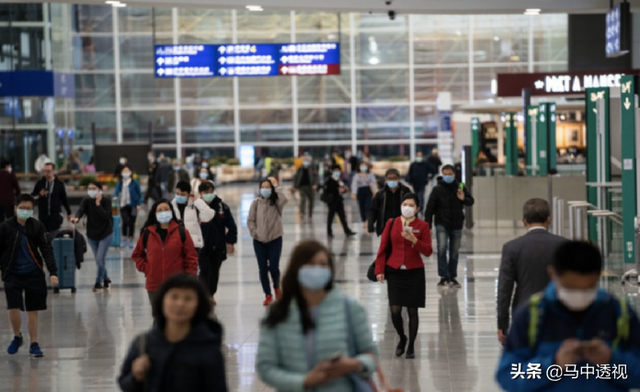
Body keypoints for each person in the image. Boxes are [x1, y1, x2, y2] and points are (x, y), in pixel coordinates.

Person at [496, 241, 640, 391]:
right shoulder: (532, 315)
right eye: (570, 287)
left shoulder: (619, 314)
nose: (579, 294)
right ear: (553, 274)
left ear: (598, 276)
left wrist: (611, 361)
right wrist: (554, 365)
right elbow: (508, 375)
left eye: (587, 288)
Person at [256, 240, 379, 391]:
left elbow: (372, 355)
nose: (316, 269)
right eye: (309, 264)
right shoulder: (278, 314)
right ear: (296, 268)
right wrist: (304, 381)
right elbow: (265, 367)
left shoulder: (350, 309)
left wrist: (354, 364)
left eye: (322, 265)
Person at [118, 274, 228, 392]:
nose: (180, 304)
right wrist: (136, 376)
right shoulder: (144, 343)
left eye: (188, 299)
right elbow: (124, 383)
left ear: (198, 306)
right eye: (174, 297)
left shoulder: (208, 348)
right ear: (162, 301)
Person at [497, 199, 567, 345]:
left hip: (524, 312)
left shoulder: (512, 248)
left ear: (524, 220)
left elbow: (505, 288)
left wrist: (502, 324)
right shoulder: (564, 245)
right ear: (549, 218)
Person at [0, 194, 59, 357]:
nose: (25, 211)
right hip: (12, 273)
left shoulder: (37, 226)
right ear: (15, 208)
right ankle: (17, 336)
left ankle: (34, 342)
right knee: (13, 307)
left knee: (33, 309)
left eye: (28, 209)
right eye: (22, 208)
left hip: (33, 273)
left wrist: (53, 272)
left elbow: (46, 249)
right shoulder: (6, 227)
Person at [374, 193, 432, 359]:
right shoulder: (392, 223)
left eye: (411, 205)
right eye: (405, 204)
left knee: (412, 310)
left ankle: (411, 345)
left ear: (417, 208)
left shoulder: (423, 226)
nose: (407, 207)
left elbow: (428, 251)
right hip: (395, 271)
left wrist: (414, 239)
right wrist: (380, 270)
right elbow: (383, 248)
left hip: (414, 272)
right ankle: (402, 337)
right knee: (395, 310)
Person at [131, 199, 199, 313]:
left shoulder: (181, 232)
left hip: (177, 285)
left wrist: (190, 278)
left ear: (172, 211)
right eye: (160, 210)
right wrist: (147, 268)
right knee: (159, 319)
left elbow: (191, 257)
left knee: (176, 316)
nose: (163, 212)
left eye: (166, 209)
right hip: (154, 286)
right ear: (155, 213)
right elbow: (137, 254)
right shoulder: (147, 233)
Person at [424, 165, 474, 288]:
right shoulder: (437, 189)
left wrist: (463, 199)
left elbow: (470, 201)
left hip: (457, 223)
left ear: (454, 175)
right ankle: (443, 276)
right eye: (445, 174)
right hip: (441, 223)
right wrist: (428, 226)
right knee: (441, 248)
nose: (447, 176)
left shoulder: (460, 187)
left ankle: (452, 276)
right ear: (442, 174)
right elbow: (429, 208)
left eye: (450, 174)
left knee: (454, 251)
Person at [247, 177, 288, 306]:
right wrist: (255, 233)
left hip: (275, 239)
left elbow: (284, 199)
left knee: (274, 267)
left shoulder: (276, 202)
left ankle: (277, 287)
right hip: (259, 241)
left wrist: (277, 186)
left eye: (268, 187)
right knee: (263, 268)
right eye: (263, 187)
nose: (265, 189)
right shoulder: (256, 203)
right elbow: (250, 220)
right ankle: (268, 294)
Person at [198, 182, 237, 304]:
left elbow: (231, 225)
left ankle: (210, 294)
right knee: (204, 270)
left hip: (218, 246)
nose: (208, 195)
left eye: (210, 192)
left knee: (214, 270)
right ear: (200, 194)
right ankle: (202, 294)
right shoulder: (195, 208)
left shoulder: (221, 207)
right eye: (205, 192)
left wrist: (230, 241)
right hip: (202, 247)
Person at [71, 181, 114, 292]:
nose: (91, 190)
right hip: (92, 235)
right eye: (89, 188)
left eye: (93, 188)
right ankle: (106, 279)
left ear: (100, 190)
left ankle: (98, 282)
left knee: (99, 259)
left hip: (105, 234)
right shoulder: (86, 201)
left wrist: (98, 204)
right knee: (99, 260)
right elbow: (81, 210)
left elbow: (105, 215)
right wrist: (77, 218)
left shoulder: (107, 201)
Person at [171, 181, 215, 253]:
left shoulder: (195, 206)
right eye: (177, 194)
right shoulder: (171, 206)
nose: (179, 196)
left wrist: (197, 201)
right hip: (176, 245)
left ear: (189, 194)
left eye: (182, 194)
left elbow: (210, 215)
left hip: (193, 245)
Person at [31, 163, 72, 236]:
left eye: (48, 171)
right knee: (44, 236)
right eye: (44, 171)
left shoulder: (59, 183)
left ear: (53, 171)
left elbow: (64, 198)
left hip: (56, 215)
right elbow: (33, 197)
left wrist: (69, 212)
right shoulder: (40, 183)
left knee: (54, 235)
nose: (46, 173)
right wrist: (40, 194)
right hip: (43, 216)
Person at [368, 168, 412, 236]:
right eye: (389, 178)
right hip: (385, 227)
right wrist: (370, 225)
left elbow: (412, 207)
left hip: (402, 226)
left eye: (394, 178)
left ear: (399, 179)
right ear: (386, 179)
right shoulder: (381, 194)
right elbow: (373, 210)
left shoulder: (405, 191)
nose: (392, 180)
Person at [113, 166, 142, 249]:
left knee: (132, 222)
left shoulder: (135, 182)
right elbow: (116, 191)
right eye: (124, 171)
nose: (126, 172)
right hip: (123, 205)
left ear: (130, 172)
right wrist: (115, 196)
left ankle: (131, 239)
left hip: (134, 206)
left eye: (127, 171)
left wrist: (138, 204)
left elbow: (139, 194)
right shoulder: (120, 183)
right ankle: (124, 238)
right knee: (125, 221)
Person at [323, 165, 356, 238]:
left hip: (339, 200)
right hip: (332, 201)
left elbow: (342, 189)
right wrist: (337, 190)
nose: (337, 172)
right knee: (331, 216)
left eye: (338, 170)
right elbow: (328, 190)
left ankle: (347, 231)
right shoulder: (329, 180)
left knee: (342, 216)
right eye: (335, 170)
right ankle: (329, 231)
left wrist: (344, 190)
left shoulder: (339, 179)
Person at [351, 162, 377, 230]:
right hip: (360, 191)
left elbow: (373, 183)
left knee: (368, 205)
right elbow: (354, 185)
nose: (363, 167)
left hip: (368, 190)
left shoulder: (370, 175)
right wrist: (354, 193)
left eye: (364, 166)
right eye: (361, 166)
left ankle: (369, 221)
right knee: (361, 206)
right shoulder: (356, 176)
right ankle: (364, 220)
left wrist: (375, 191)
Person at [292, 156, 317, 221]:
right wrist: (295, 186)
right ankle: (302, 213)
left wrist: (315, 184)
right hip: (302, 187)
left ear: (309, 162)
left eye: (306, 161)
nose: (305, 162)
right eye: (304, 161)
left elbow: (316, 177)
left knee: (311, 200)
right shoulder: (300, 169)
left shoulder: (312, 169)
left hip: (310, 187)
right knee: (303, 199)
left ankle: (310, 213)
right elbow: (296, 178)